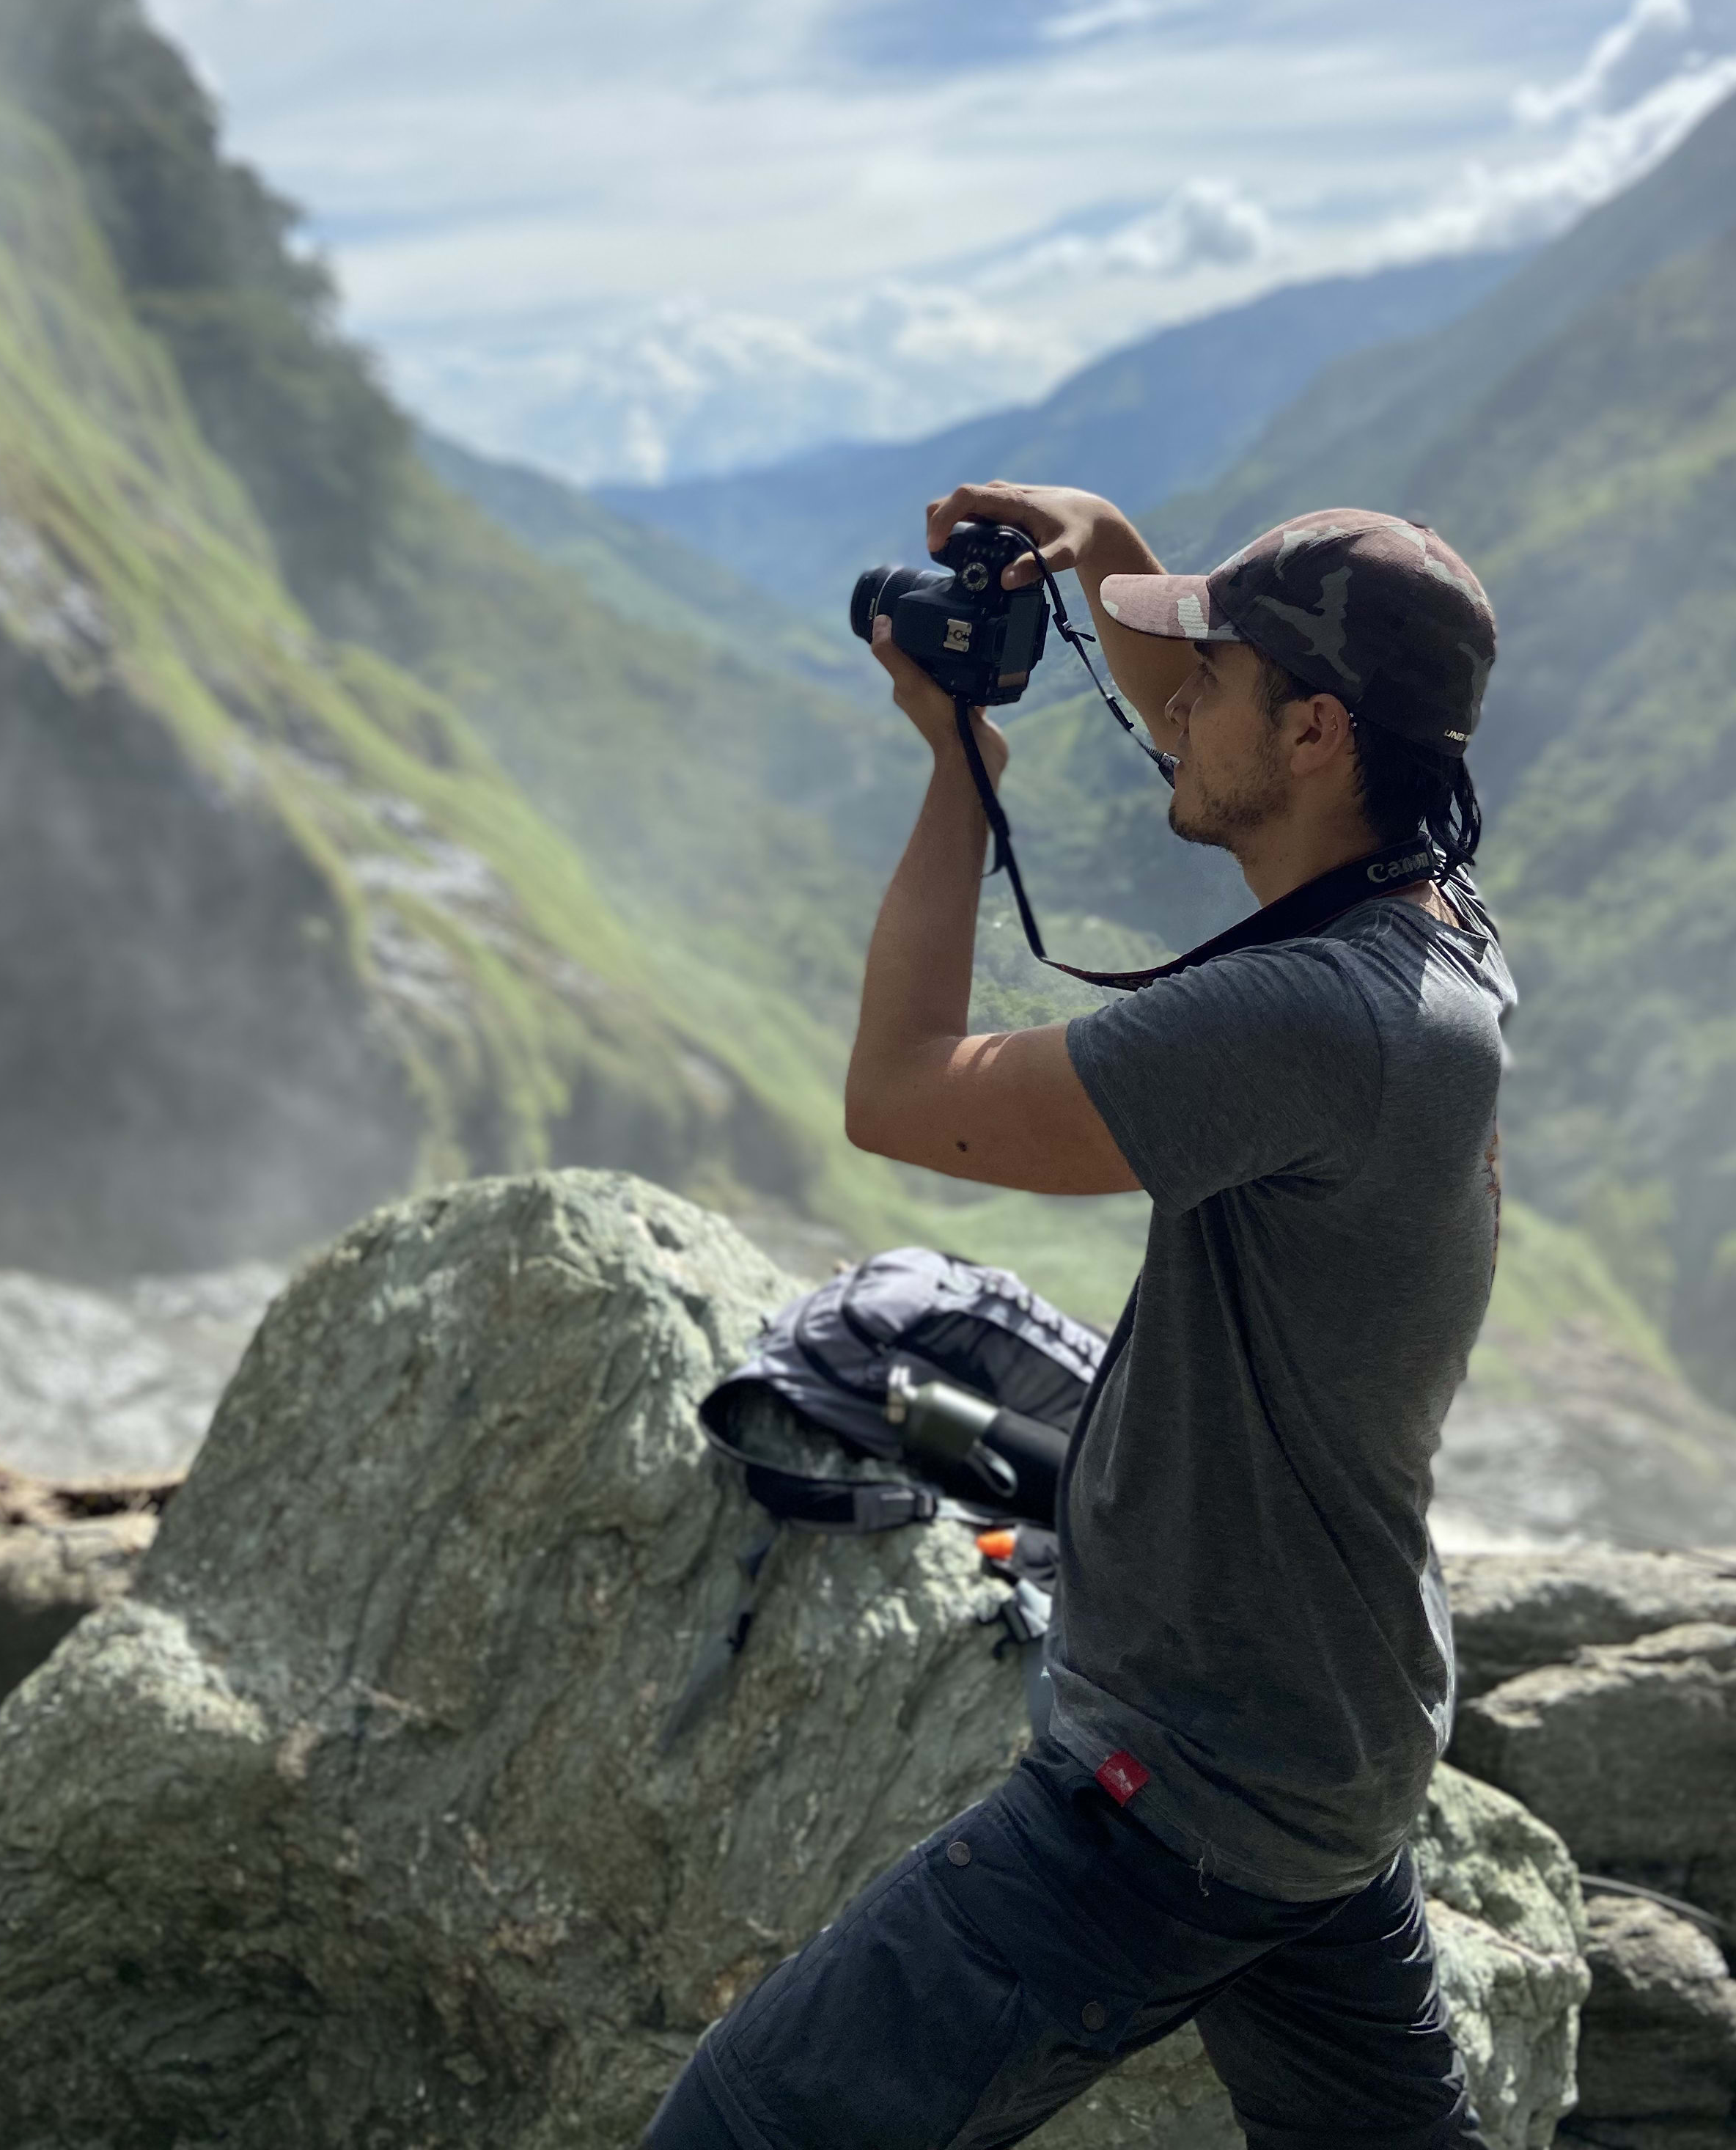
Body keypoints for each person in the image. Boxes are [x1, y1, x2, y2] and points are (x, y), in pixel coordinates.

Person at [645, 482, 1514, 2150]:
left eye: (1213, 683)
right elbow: (1205, 701)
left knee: (740, 2134)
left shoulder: (1312, 1024)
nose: (1169, 709)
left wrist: (961, 773)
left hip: (1172, 1798)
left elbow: (900, 1096)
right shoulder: (1427, 932)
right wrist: (1113, 552)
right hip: (1323, 1751)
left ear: (1319, 727)